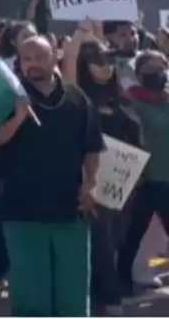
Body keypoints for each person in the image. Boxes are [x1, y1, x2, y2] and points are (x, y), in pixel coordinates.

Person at [0, 35, 103, 317]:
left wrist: (90, 183)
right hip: (22, 210)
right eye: (26, 59)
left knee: (73, 291)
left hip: (70, 208)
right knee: (31, 293)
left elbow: (92, 147)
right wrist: (17, 118)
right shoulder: (8, 96)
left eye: (40, 57)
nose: (33, 64)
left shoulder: (77, 98)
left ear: (55, 56)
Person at [63, 34, 141, 314]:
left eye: (109, 59)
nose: (106, 66)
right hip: (91, 177)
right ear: (85, 65)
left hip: (124, 181)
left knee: (117, 237)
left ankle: (105, 290)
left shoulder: (120, 96)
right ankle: (107, 295)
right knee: (101, 239)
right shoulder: (79, 97)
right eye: (98, 61)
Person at [119, 51, 169, 296]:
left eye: (162, 67)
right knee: (134, 232)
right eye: (151, 68)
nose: (158, 72)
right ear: (139, 74)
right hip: (148, 178)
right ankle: (121, 280)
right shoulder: (132, 101)